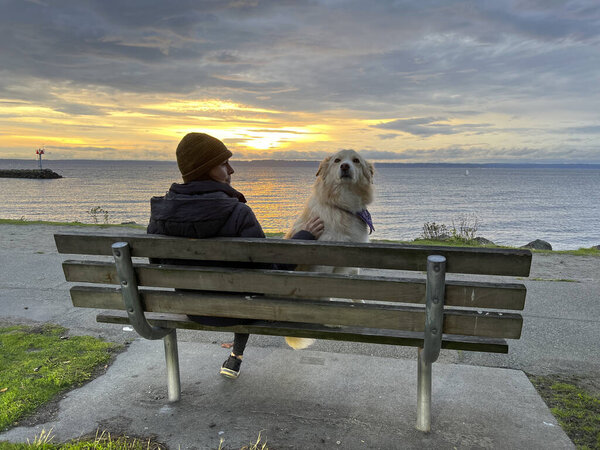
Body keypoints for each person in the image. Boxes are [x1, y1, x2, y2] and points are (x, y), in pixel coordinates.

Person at [147, 132, 324, 379]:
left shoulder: (160, 212)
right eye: (222, 164)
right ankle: (236, 356)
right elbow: (269, 273)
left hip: (191, 308)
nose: (231, 169)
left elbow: (156, 264)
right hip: (237, 310)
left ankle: (235, 357)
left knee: (243, 284)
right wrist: (303, 238)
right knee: (250, 288)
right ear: (204, 169)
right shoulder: (238, 212)